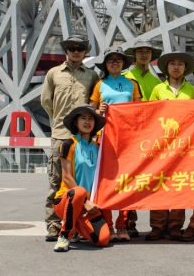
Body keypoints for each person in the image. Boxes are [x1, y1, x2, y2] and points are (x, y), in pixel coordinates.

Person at [41, 35, 98, 242]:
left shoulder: (91, 76)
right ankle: (54, 225)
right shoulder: (54, 74)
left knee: (83, 182)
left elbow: (94, 103)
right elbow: (46, 101)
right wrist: (61, 121)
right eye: (72, 48)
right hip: (60, 135)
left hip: (84, 138)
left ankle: (80, 223)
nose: (76, 51)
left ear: (85, 52)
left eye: (80, 48)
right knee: (56, 181)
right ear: (66, 50)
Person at [146, 51, 194, 242]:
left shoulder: (192, 91)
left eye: (180, 64)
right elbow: (149, 114)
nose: (176, 67)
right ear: (166, 68)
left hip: (184, 145)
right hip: (161, 145)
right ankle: (157, 226)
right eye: (172, 64)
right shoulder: (158, 89)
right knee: (158, 182)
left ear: (185, 68)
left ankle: (175, 226)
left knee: (179, 184)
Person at [90, 46, 141, 242]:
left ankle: (123, 224)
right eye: (111, 59)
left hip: (128, 140)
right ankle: (109, 225)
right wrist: (99, 111)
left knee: (128, 183)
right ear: (105, 64)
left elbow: (140, 111)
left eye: (118, 59)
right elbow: (90, 112)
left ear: (123, 63)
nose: (114, 62)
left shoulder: (132, 84)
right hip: (105, 139)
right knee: (108, 183)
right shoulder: (100, 84)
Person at [53, 104, 108, 252]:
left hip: (89, 206)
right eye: (83, 118)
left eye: (91, 119)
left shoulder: (98, 147)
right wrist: (85, 202)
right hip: (68, 200)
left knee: (103, 239)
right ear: (76, 123)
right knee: (79, 192)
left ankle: (78, 226)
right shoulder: (68, 144)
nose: (87, 122)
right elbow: (66, 177)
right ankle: (64, 236)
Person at [123, 39, 162, 237]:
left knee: (153, 177)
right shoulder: (125, 77)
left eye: (148, 51)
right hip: (131, 134)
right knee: (131, 178)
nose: (144, 55)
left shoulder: (157, 82)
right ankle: (129, 221)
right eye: (140, 52)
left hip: (151, 135)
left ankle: (157, 224)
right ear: (134, 55)